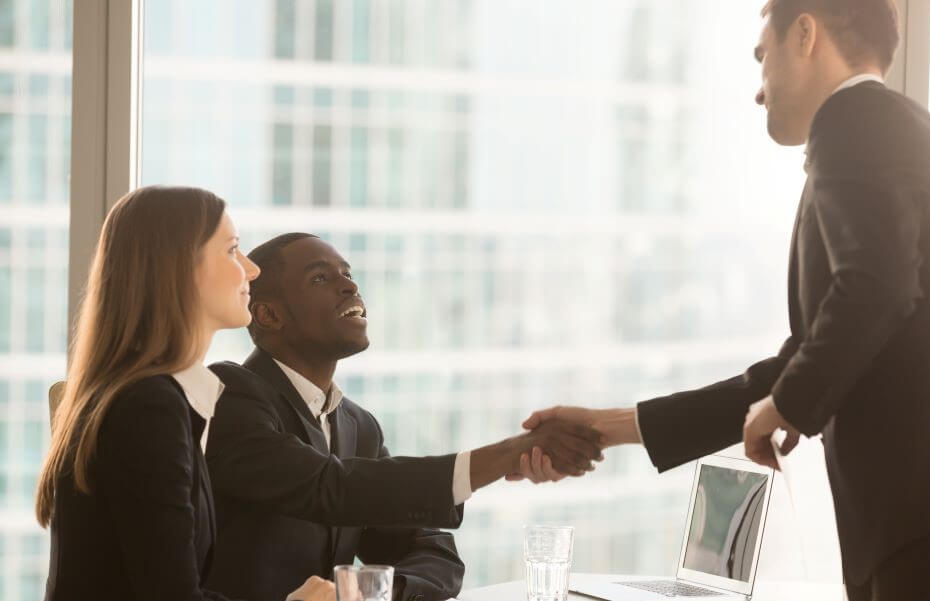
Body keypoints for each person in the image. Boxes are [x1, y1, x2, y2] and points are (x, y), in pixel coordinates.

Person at [521, 1, 930, 599]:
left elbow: (876, 289)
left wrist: (793, 403)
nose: (758, 91)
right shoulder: (891, 129)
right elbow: (800, 362)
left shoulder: (856, 124)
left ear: (805, 35)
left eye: (761, 57)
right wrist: (611, 426)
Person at [205, 233, 604, 601]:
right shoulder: (229, 394)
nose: (349, 286)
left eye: (348, 274)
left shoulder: (358, 426)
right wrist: (505, 455)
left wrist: (372, 592)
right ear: (269, 315)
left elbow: (435, 552)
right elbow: (331, 487)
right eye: (320, 279)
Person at [35, 187, 336, 601]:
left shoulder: (144, 396)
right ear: (179, 270)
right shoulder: (148, 407)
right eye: (232, 251)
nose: (251, 270)